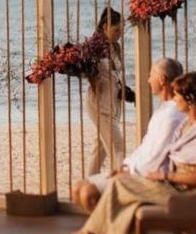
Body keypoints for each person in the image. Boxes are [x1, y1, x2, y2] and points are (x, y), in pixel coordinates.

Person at [58, 71, 196, 234]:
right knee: (123, 196)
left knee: (117, 185)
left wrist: (164, 175)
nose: (175, 100)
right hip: (169, 185)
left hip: (181, 193)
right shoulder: (191, 122)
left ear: (189, 100)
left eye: (178, 96)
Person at [68, 57, 185, 219]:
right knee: (77, 187)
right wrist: (125, 167)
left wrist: (129, 172)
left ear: (162, 79)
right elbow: (145, 148)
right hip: (137, 172)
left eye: (151, 74)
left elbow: (157, 158)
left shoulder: (172, 115)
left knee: (87, 192)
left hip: (149, 181)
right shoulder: (163, 110)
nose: (148, 79)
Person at [85, 7, 127, 176]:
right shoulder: (93, 48)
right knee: (118, 148)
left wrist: (125, 89)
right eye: (116, 29)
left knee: (100, 149)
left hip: (114, 103)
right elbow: (87, 73)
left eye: (122, 29)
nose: (120, 33)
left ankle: (88, 184)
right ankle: (123, 186)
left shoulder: (116, 47)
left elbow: (116, 74)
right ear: (104, 27)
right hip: (99, 103)